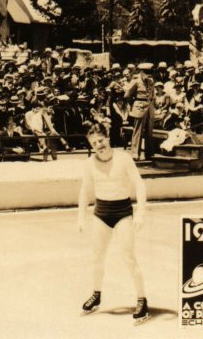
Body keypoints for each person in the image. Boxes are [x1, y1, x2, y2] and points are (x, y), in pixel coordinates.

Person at [77, 123, 149, 324]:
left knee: (128, 257)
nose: (98, 145)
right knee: (96, 258)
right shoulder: (90, 163)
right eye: (94, 143)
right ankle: (96, 294)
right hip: (101, 213)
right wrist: (80, 216)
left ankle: (142, 299)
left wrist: (141, 213)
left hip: (122, 212)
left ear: (107, 138)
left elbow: (139, 184)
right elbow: (85, 190)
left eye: (100, 140)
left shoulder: (123, 159)